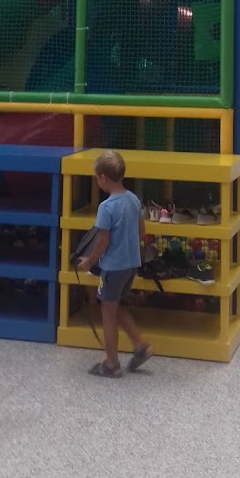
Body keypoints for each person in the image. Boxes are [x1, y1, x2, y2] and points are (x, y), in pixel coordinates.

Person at [77, 150, 153, 378]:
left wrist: (89, 261)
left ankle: (111, 363)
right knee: (115, 305)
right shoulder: (133, 199)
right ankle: (140, 345)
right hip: (130, 265)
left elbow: (103, 240)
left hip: (113, 268)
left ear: (103, 178)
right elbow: (141, 231)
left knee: (107, 313)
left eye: (96, 177)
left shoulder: (107, 207)